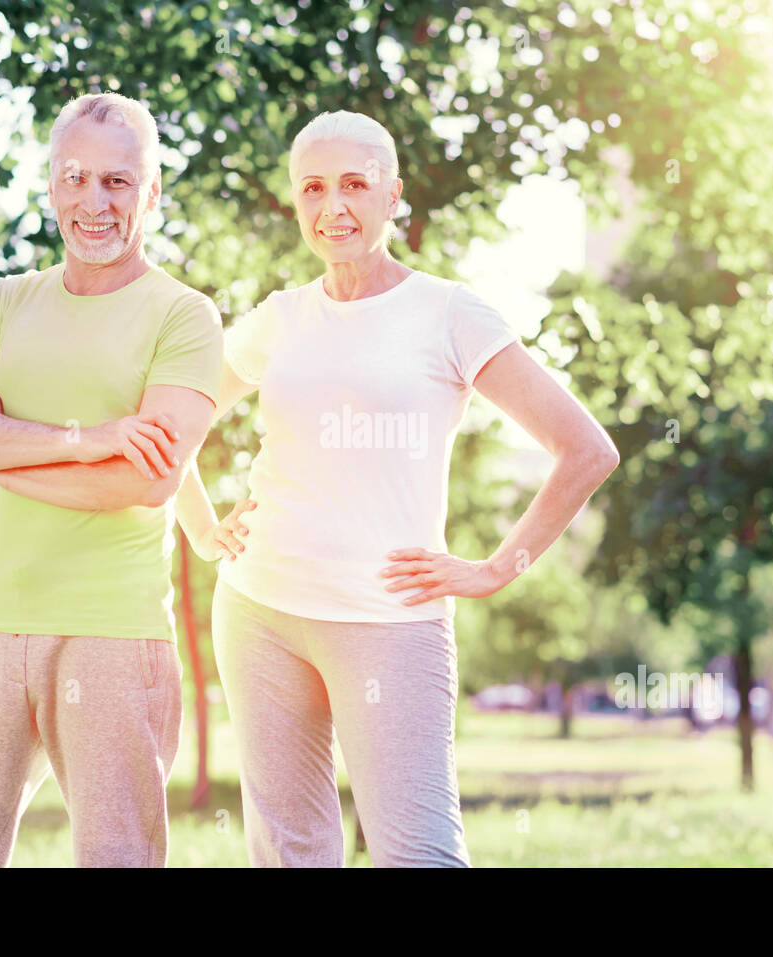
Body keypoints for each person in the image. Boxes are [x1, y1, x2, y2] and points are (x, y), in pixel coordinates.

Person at [176, 110, 620, 867]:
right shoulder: (280, 318)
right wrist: (202, 527)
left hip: (391, 619)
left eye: (354, 184)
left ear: (393, 195)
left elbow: (586, 449)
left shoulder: (449, 313)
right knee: (290, 853)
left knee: (419, 852)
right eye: (312, 188)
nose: (333, 206)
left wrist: (492, 569)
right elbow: (174, 422)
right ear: (295, 201)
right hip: (258, 610)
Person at [0, 92, 222, 867]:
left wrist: (0, 449)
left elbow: (147, 484)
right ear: (52, 186)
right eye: (75, 178)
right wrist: (88, 441)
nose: (94, 202)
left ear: (151, 193)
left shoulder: (184, 317)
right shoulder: (6, 301)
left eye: (119, 182)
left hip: (112, 634)